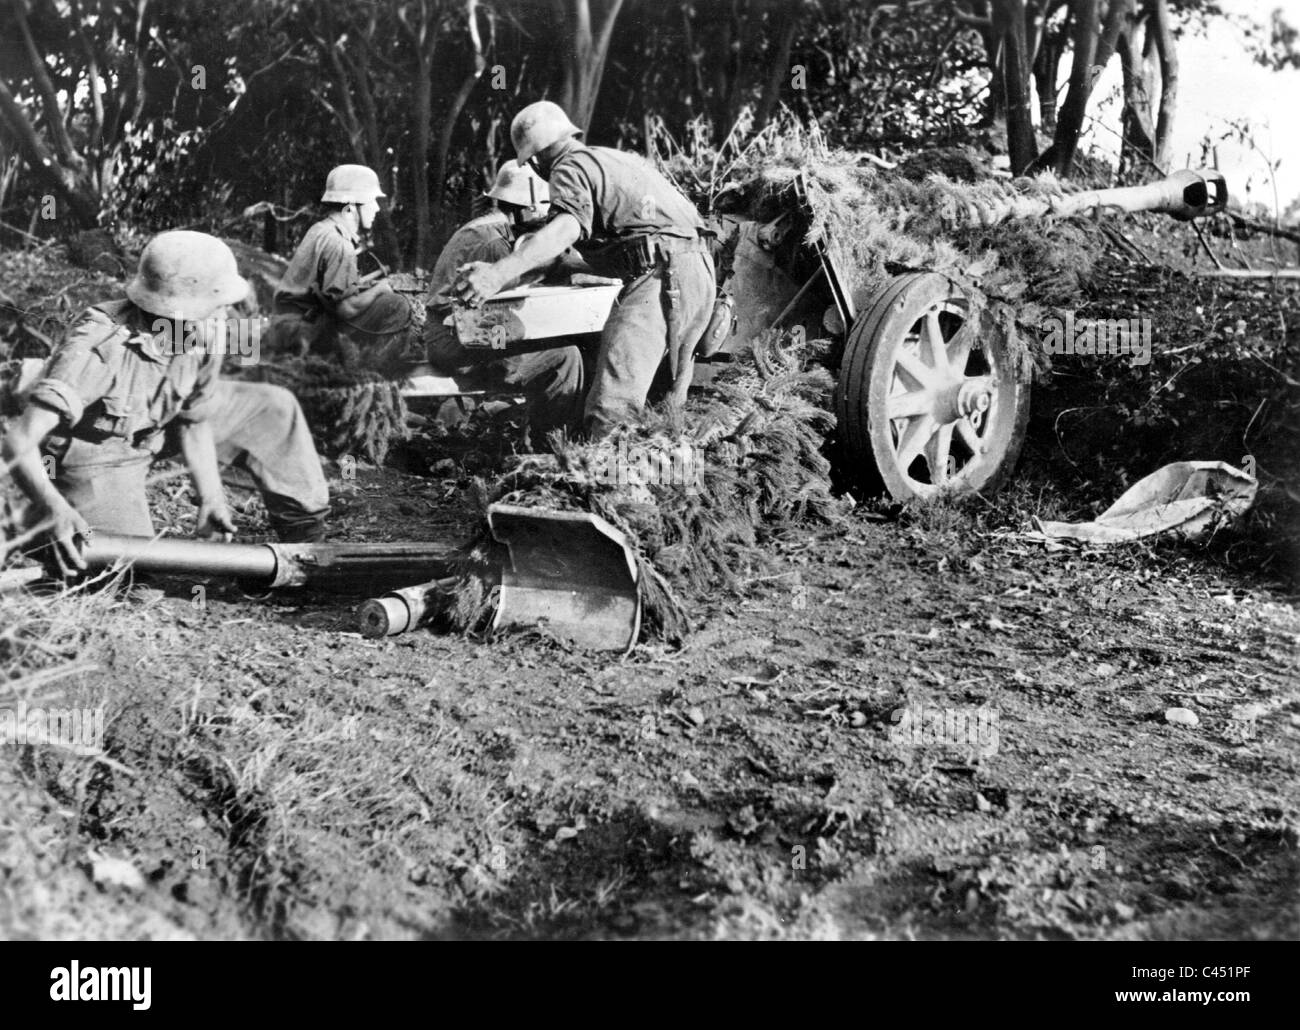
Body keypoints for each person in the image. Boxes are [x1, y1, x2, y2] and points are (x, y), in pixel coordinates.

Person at [1, 231, 331, 577]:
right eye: (217, 305)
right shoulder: (100, 346)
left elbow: (195, 417)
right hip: (98, 454)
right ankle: (22, 520)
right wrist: (53, 507)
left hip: (157, 428)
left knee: (273, 409)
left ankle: (306, 550)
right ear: (182, 311)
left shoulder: (203, 332)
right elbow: (19, 441)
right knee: (124, 567)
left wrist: (211, 497)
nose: (226, 314)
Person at [454, 101, 716, 438]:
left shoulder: (569, 166)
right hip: (696, 273)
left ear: (535, 158)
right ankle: (657, 480)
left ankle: (605, 486)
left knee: (613, 407)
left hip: (662, 278)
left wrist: (496, 274)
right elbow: (625, 239)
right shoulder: (614, 160)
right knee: (662, 400)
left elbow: (566, 228)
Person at [423, 163, 584, 440]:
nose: (549, 216)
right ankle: (553, 441)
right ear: (530, 205)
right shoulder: (494, 242)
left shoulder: (484, 229)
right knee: (566, 356)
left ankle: (522, 425)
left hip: (457, 334)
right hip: (460, 343)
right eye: (547, 207)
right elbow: (502, 312)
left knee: (547, 347)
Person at [269, 164, 413, 369]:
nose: (377, 208)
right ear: (349, 209)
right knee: (396, 305)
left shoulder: (321, 229)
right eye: (371, 202)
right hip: (302, 334)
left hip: (288, 325)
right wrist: (380, 288)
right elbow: (346, 309)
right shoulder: (340, 244)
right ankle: (372, 376)